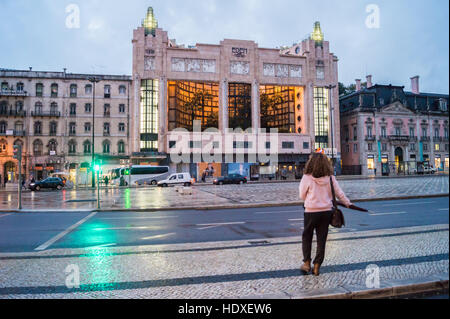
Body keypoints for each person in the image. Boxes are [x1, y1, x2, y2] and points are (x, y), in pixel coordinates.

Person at [299, 152, 352, 276]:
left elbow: (302, 195)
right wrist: (348, 203)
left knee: (307, 237)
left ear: (310, 163)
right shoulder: (330, 177)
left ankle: (307, 263)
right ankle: (317, 266)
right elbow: (339, 193)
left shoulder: (307, 177)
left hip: (311, 211)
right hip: (326, 212)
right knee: (321, 239)